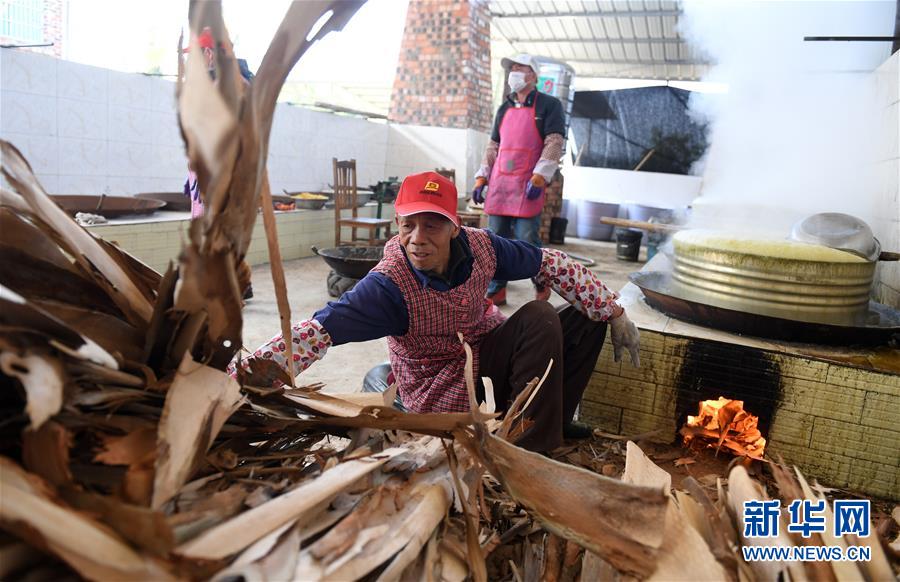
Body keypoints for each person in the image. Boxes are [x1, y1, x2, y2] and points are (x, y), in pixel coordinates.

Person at [234, 171, 641, 453]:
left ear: (455, 227)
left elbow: (548, 262)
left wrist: (613, 311)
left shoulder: (483, 247)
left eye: (432, 225)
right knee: (539, 316)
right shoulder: (388, 287)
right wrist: (240, 381)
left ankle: (553, 420)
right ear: (397, 223)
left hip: (488, 354)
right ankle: (527, 449)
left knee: (585, 317)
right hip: (442, 386)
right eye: (409, 225)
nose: (418, 239)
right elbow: (316, 332)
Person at [472, 54, 566, 307]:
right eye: (511, 68)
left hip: (528, 184)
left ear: (533, 75)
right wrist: (482, 177)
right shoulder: (504, 108)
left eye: (519, 68)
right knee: (494, 240)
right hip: (501, 184)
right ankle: (496, 290)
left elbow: (555, 141)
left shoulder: (549, 104)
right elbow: (493, 145)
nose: (513, 71)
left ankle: (542, 283)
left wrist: (540, 176)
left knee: (527, 241)